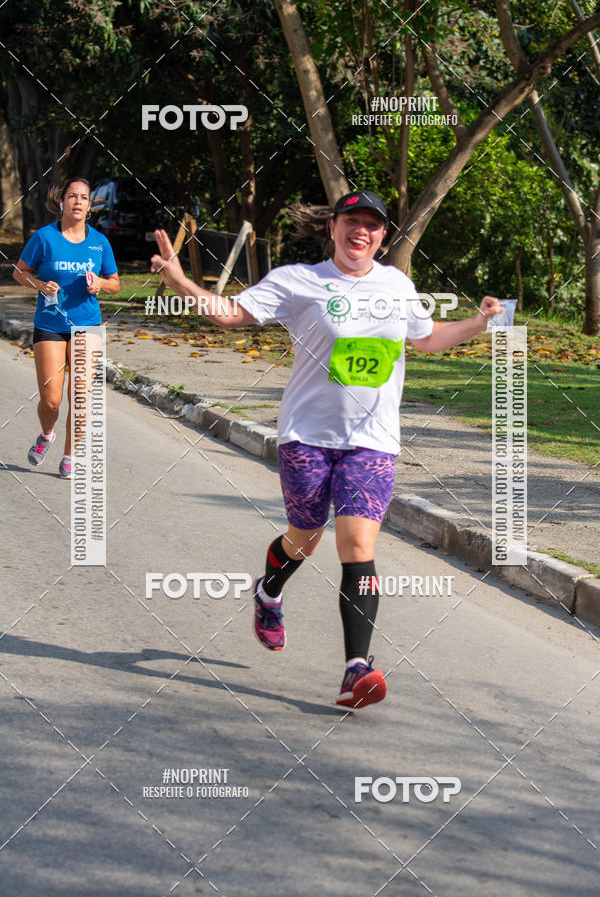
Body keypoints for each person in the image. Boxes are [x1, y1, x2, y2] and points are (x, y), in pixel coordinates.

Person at [150, 190, 502, 709]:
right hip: (307, 436)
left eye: (372, 225)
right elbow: (231, 315)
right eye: (351, 221)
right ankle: (270, 591)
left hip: (373, 442)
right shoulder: (300, 281)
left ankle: (356, 669)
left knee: (358, 547)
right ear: (333, 227)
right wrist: (180, 282)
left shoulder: (396, 285)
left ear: (383, 236)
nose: (361, 231)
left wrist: (478, 322)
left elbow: (425, 339)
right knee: (306, 536)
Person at [13, 177, 120, 478]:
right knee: (51, 400)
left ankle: (70, 455)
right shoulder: (44, 238)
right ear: (61, 202)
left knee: (82, 396)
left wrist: (100, 283)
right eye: (71, 195)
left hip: (88, 325)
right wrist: (39, 284)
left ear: (89, 206)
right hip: (50, 325)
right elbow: (19, 272)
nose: (77, 201)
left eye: (83, 197)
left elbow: (115, 283)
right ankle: (47, 433)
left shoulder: (100, 242)